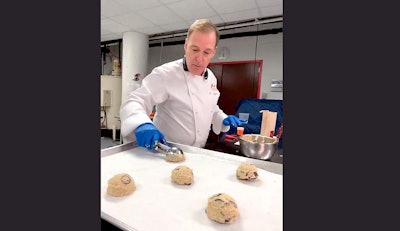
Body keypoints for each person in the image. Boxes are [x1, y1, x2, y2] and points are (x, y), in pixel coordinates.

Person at [120, 19, 246, 150]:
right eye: (195, 49)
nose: (199, 58)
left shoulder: (211, 78)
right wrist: (142, 123)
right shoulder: (165, 74)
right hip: (165, 150)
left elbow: (209, 107)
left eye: (206, 52)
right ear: (186, 45)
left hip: (197, 152)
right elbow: (134, 100)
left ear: (213, 52)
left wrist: (221, 118)